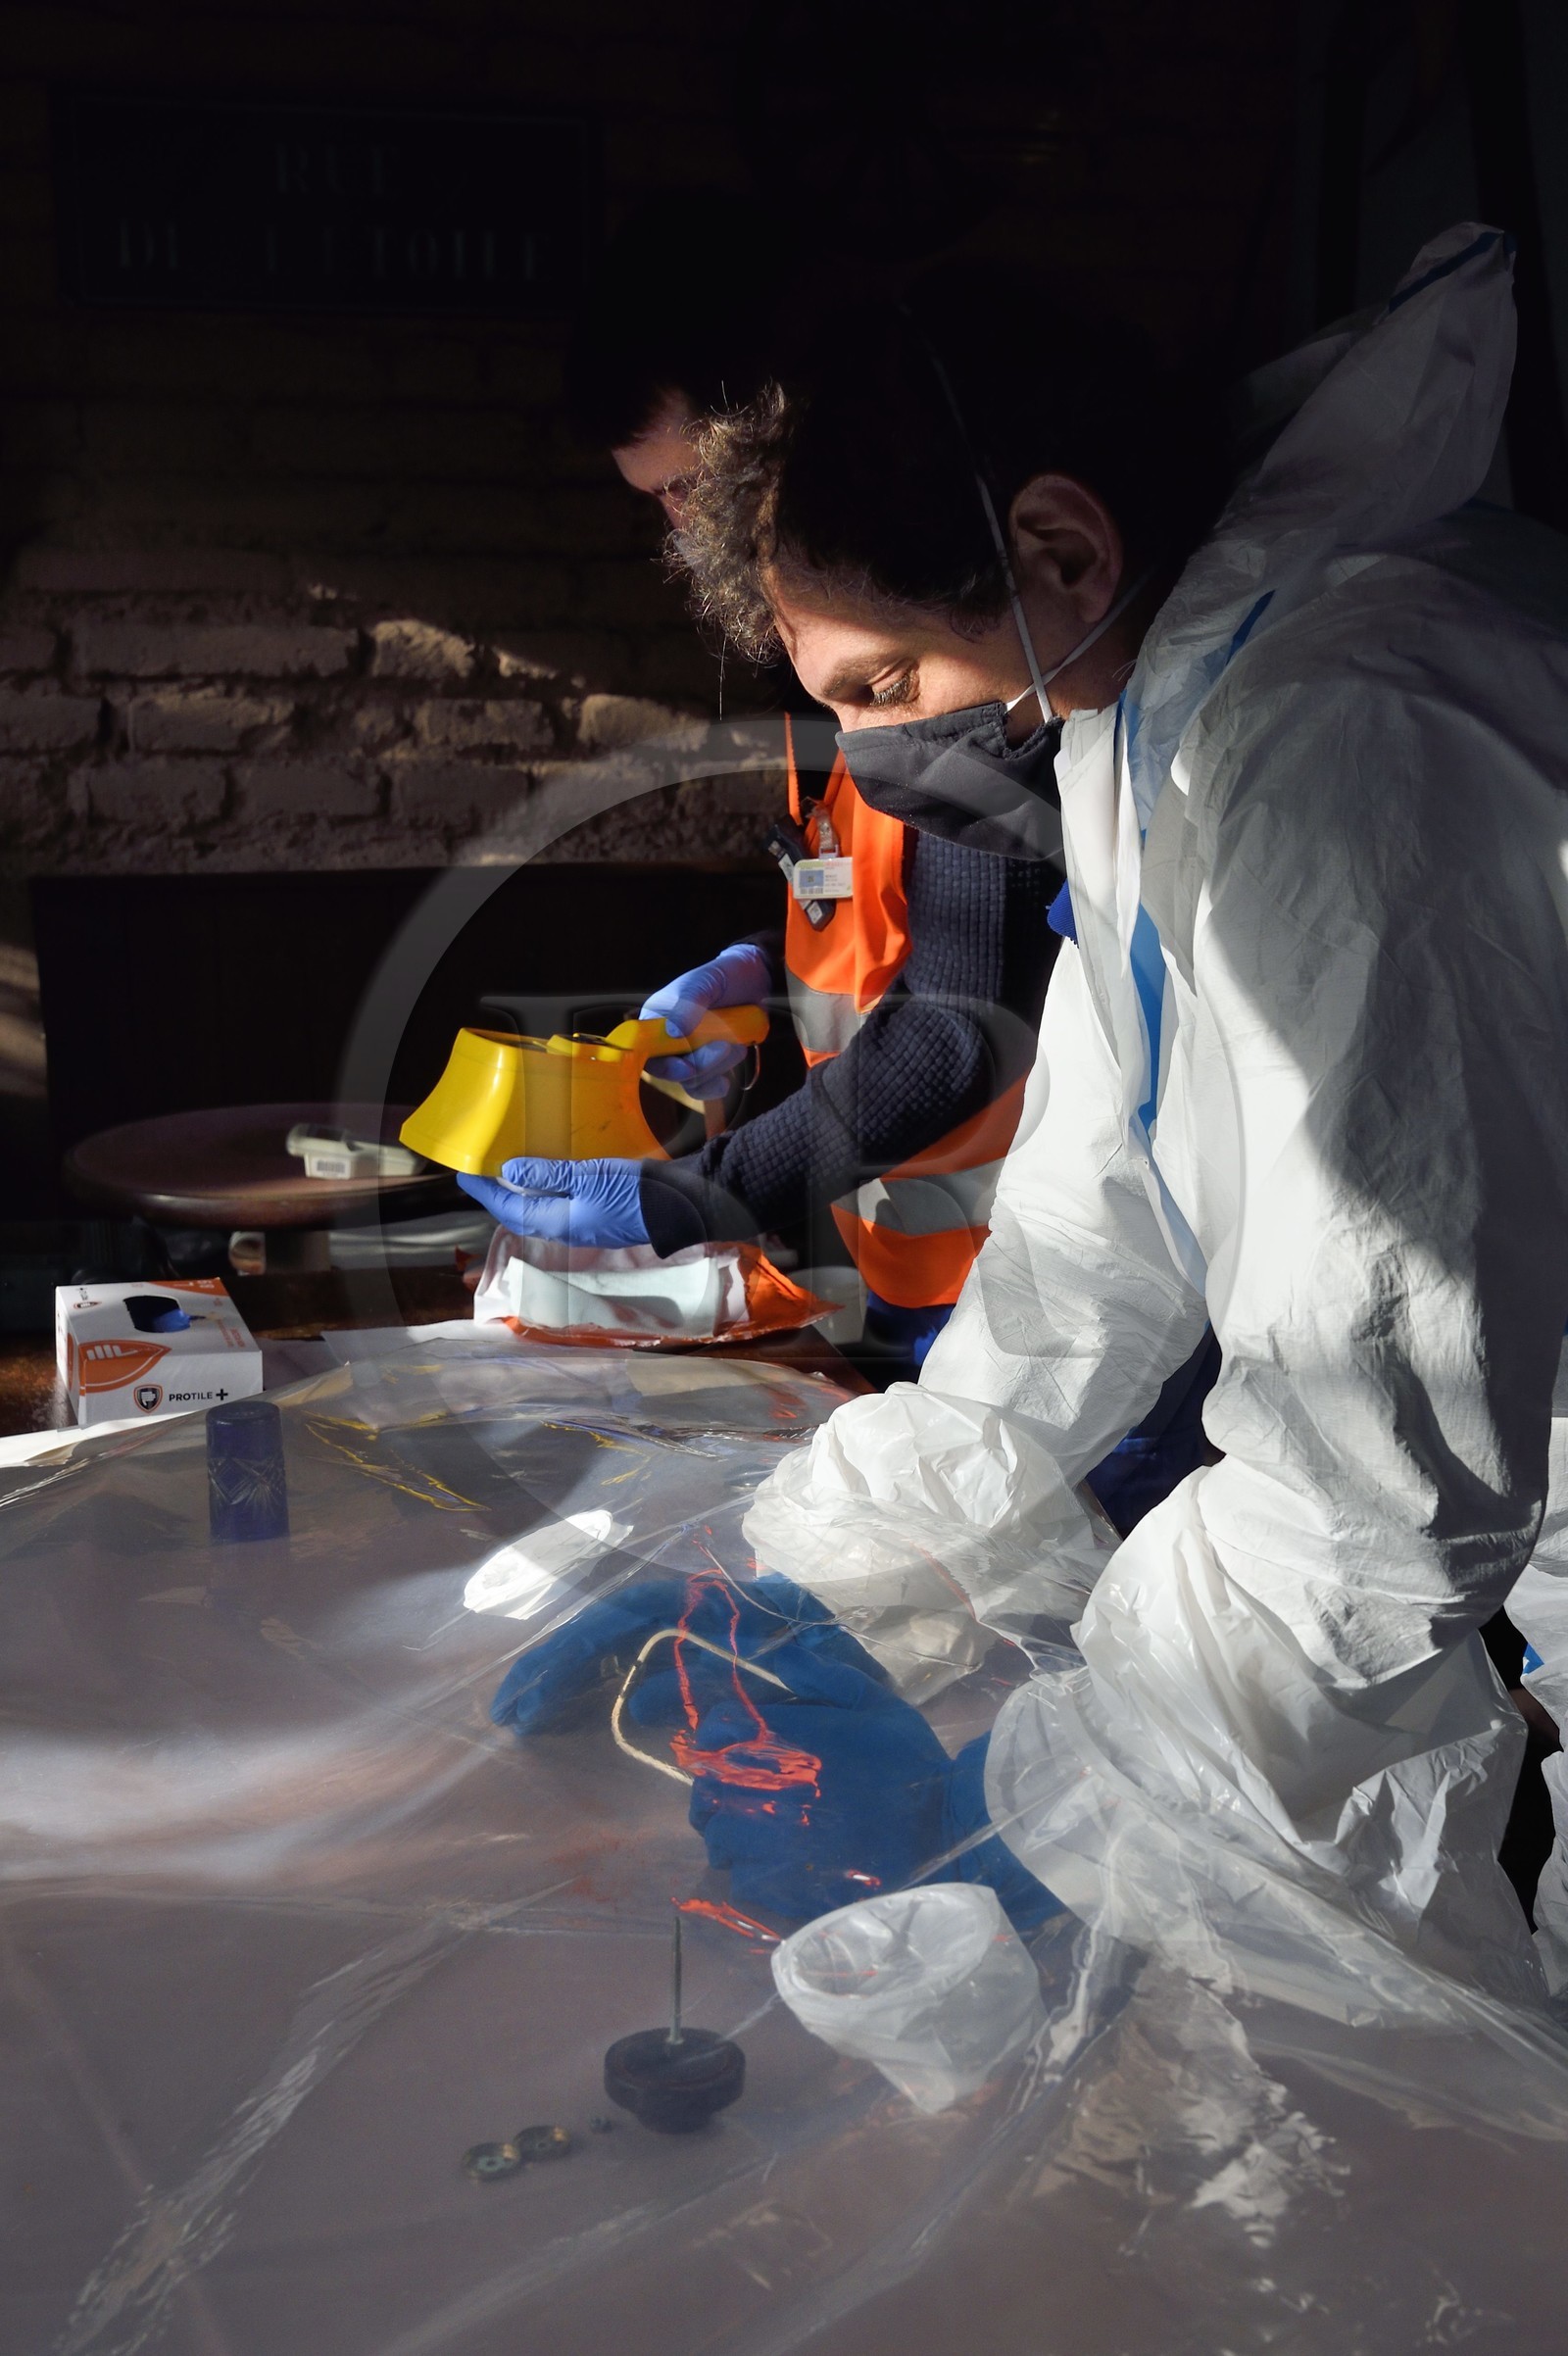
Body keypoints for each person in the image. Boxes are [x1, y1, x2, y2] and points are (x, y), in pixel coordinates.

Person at [494, 224, 1568, 2013]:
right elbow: (1085, 1237)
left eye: (886, 688)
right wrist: (817, 1580)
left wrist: (1089, 1823)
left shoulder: (1341, 730)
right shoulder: (1153, 724)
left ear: (1061, 546)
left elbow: (1369, 1444)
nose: (883, 747)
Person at [464, 197, 1216, 1522]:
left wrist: (686, 1199)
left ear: (784, 431)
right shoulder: (857, 681)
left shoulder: (968, 672)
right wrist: (758, 981)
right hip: (934, 1283)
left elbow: (961, 1025)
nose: (691, 536)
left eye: (692, 488)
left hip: (1073, 1309)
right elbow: (903, 931)